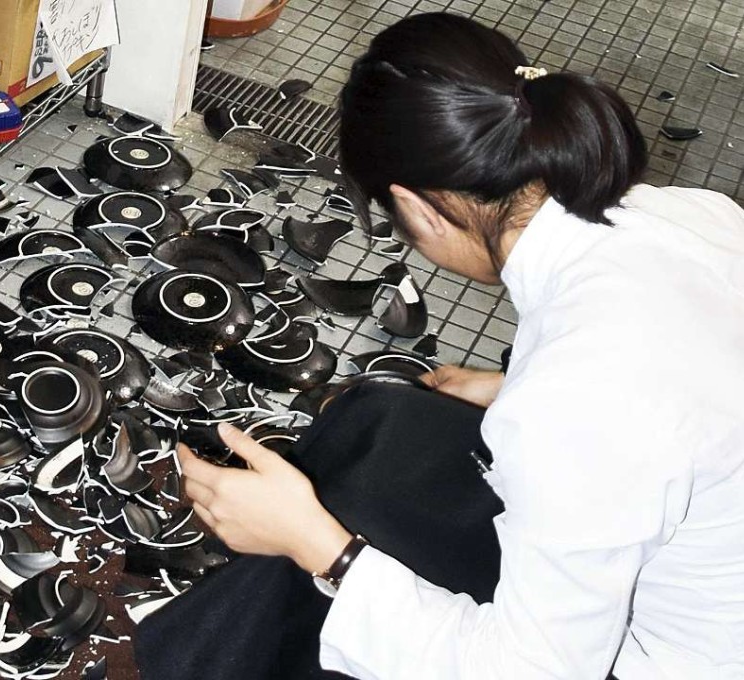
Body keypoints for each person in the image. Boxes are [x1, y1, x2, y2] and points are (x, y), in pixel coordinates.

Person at [135, 12, 744, 680]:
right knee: (384, 415)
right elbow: (686, 395)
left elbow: (531, 670)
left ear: (420, 209)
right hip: (687, 548)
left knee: (297, 589)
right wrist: (513, 386)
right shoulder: (689, 215)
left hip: (664, 659)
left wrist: (319, 547)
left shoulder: (575, 404)